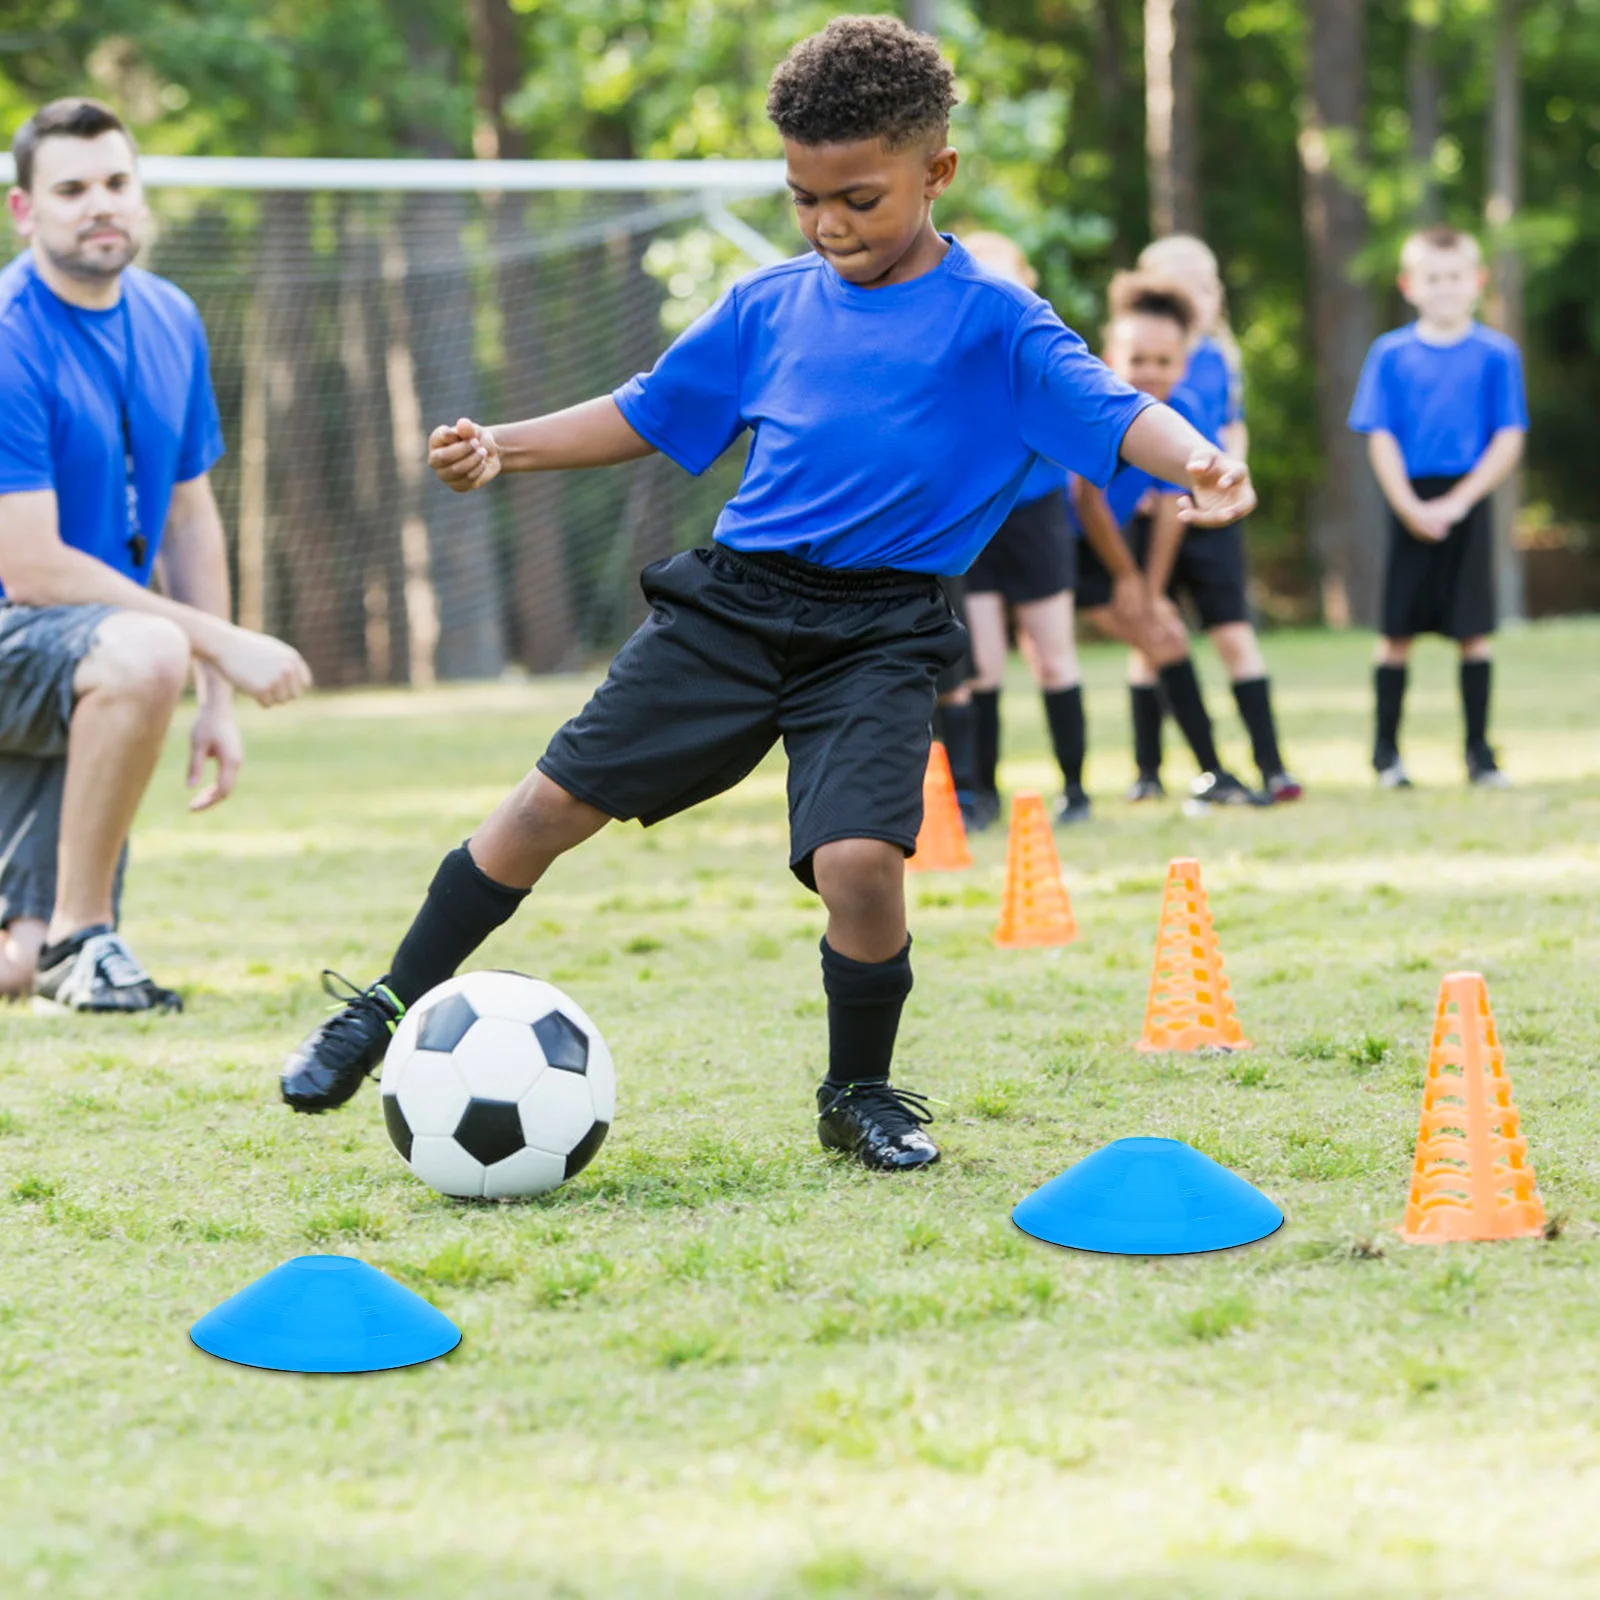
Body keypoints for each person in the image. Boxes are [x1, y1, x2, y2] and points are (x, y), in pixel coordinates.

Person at [280, 16, 1255, 1171]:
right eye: (805, 197)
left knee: (859, 865)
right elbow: (646, 409)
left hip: (884, 630)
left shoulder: (996, 322)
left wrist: (1196, 460)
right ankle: (384, 1006)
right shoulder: (765, 306)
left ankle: (859, 1092)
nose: (830, 224)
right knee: (539, 813)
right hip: (733, 610)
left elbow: (1109, 410)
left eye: (860, 197)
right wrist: (505, 444)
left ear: (935, 171)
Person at [0, 99, 311, 1010]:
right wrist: (220, 645)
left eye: (116, 182)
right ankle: (85, 941)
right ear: (25, 210)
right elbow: (33, 567)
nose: (100, 203)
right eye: (71, 189)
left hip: (73, 662)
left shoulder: (171, 317)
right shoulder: (9, 334)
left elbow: (186, 518)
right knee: (148, 648)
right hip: (28, 634)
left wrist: (216, 703)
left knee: (13, 968)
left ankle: (52, 947)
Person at [1073, 276, 1264, 808]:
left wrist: (1153, 589)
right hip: (1072, 544)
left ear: (1182, 363)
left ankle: (1210, 774)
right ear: (1111, 355)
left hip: (1119, 545)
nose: (1150, 373)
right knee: (1157, 641)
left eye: (1163, 361)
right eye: (1138, 359)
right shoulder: (1093, 405)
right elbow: (1086, 502)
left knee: (1166, 636)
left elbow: (1175, 512)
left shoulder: (1181, 415)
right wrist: (1129, 579)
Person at [1348, 225, 1526, 788]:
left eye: (1454, 277)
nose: (1444, 287)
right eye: (1432, 277)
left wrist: (1458, 502)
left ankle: (1478, 753)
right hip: (1409, 500)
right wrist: (1408, 505)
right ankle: (1386, 756)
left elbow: (1508, 437)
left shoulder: (1497, 354)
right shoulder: (1391, 354)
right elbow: (1379, 435)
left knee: (1473, 631)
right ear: (1409, 285)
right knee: (1396, 632)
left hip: (1467, 500)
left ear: (1476, 282)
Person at [1135, 236, 1300, 804]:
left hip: (1211, 515)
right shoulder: (1138, 354)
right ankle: (1147, 770)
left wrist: (1232, 475)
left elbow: (1233, 427)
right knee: (1151, 635)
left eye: (1203, 286)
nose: (1192, 298)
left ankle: (1272, 765)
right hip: (1153, 513)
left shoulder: (1220, 358)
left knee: (1233, 635)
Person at [958, 231, 1091, 827]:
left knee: (1054, 659)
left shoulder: (1042, 347)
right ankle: (979, 793)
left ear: (1026, 279)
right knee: (982, 664)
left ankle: (1076, 790)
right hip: (973, 524)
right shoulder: (948, 357)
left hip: (1037, 518)